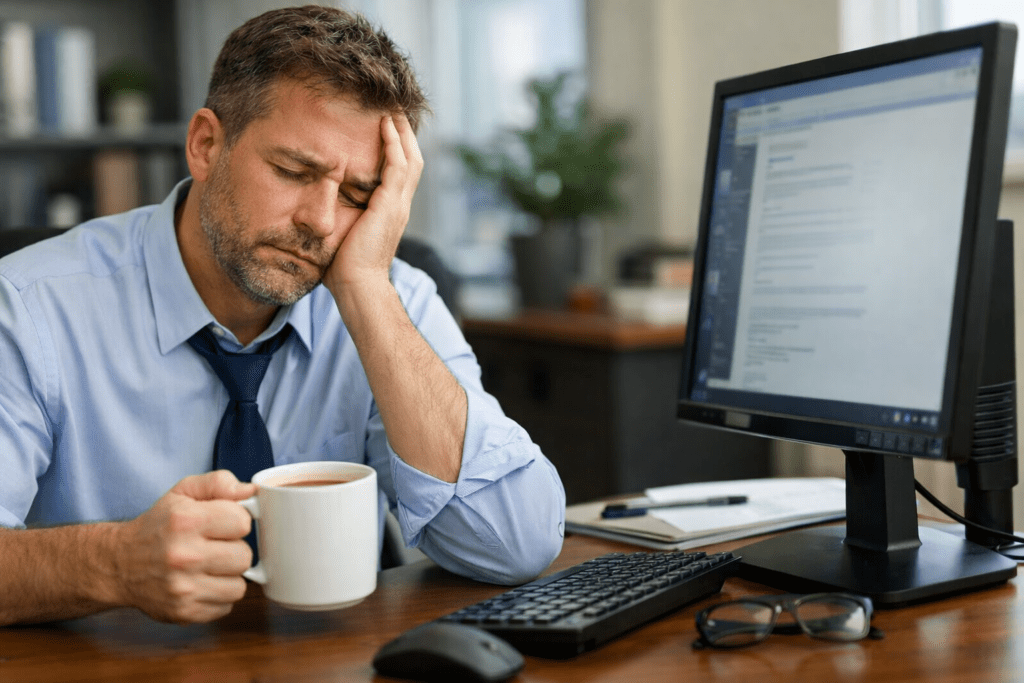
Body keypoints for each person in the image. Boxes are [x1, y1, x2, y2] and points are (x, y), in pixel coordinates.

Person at [0, 5, 565, 626]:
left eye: (357, 195)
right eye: (294, 172)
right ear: (205, 145)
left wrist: (368, 292)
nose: (321, 222)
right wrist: (114, 563)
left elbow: (516, 544)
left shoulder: (388, 295)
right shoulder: (27, 310)